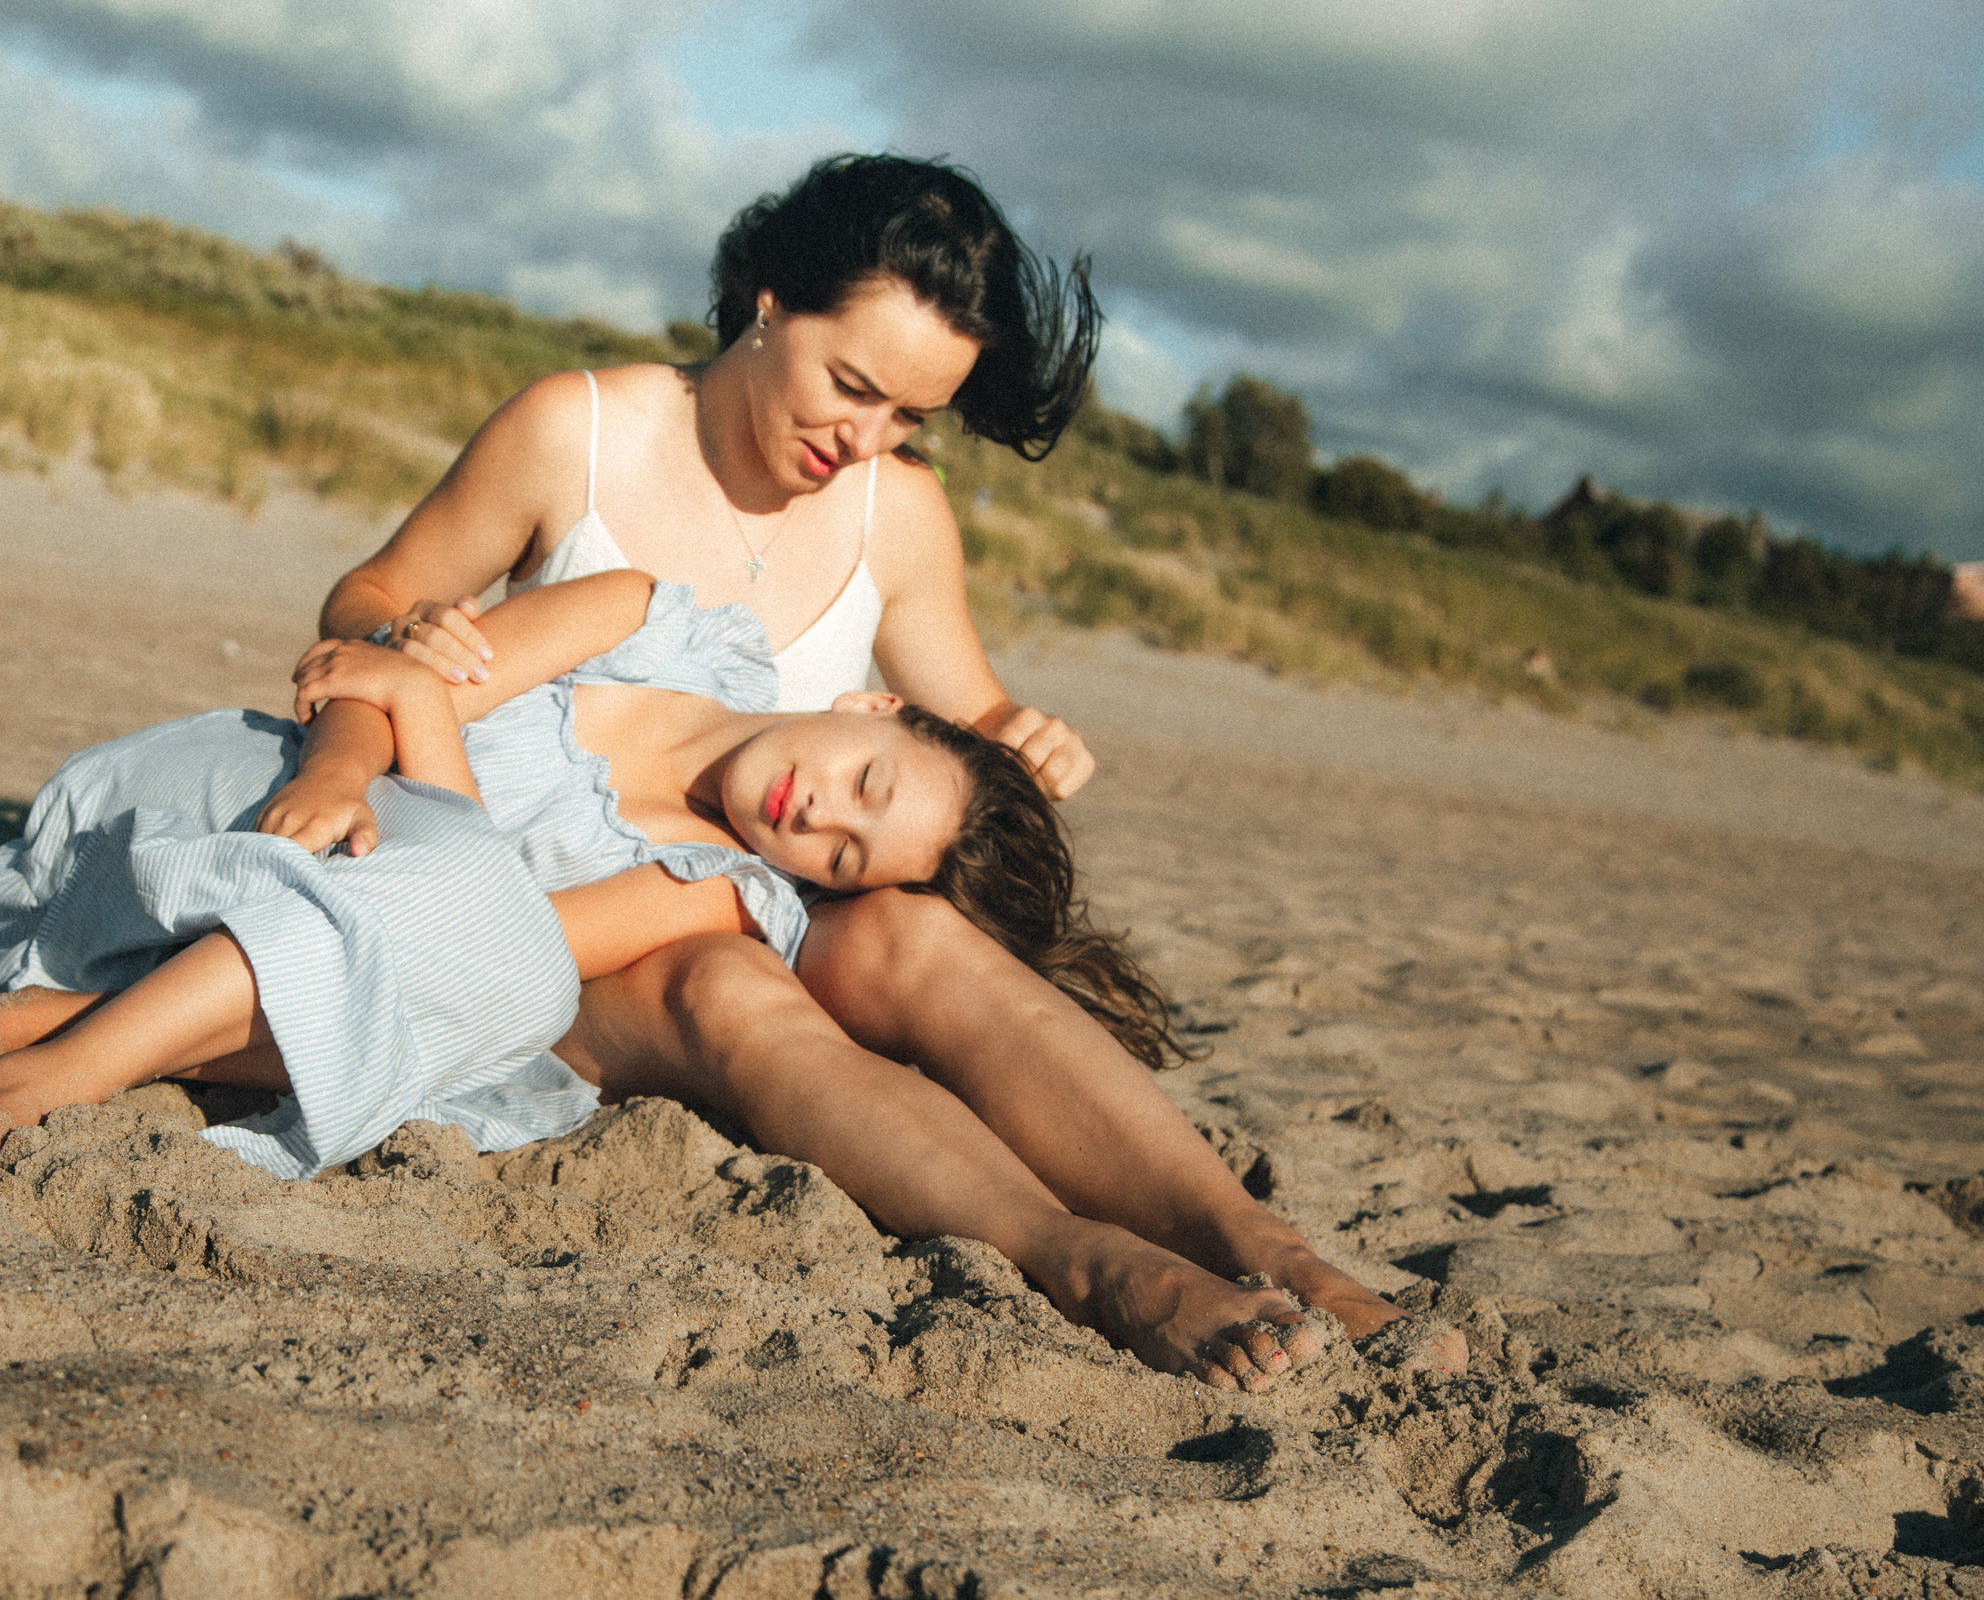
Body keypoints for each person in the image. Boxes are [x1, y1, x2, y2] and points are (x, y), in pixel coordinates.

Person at [301, 153, 1463, 1391]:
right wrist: (405, 633)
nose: (861, 441)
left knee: (918, 942)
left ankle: (1279, 1256)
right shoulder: (578, 430)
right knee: (723, 983)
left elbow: (964, 729)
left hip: (778, 890)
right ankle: (1088, 1264)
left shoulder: (895, 514)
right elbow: (369, 593)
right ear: (766, 301)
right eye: (852, 386)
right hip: (576, 914)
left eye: (908, 417)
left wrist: (1028, 732)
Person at [0, 572, 1175, 1235]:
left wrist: (427, 718)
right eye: (866, 780)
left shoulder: (711, 890)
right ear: (875, 705)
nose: (816, 818)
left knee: (494, 971)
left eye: (844, 856)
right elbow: (366, 672)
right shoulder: (653, 621)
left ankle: (25, 1073)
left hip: (312, 923)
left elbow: (490, 919)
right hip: (223, 798)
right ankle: (52, 1027)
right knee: (419, 926)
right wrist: (352, 753)